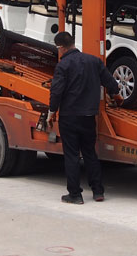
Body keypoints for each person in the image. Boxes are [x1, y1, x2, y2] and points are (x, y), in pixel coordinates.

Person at [47, 31, 121, 204]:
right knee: (90, 153)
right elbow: (110, 81)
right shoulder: (94, 61)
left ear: (62, 48)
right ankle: (98, 191)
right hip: (89, 117)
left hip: (69, 117)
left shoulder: (63, 65)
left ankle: (75, 194)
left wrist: (52, 112)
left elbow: (56, 91)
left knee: (72, 155)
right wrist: (116, 94)